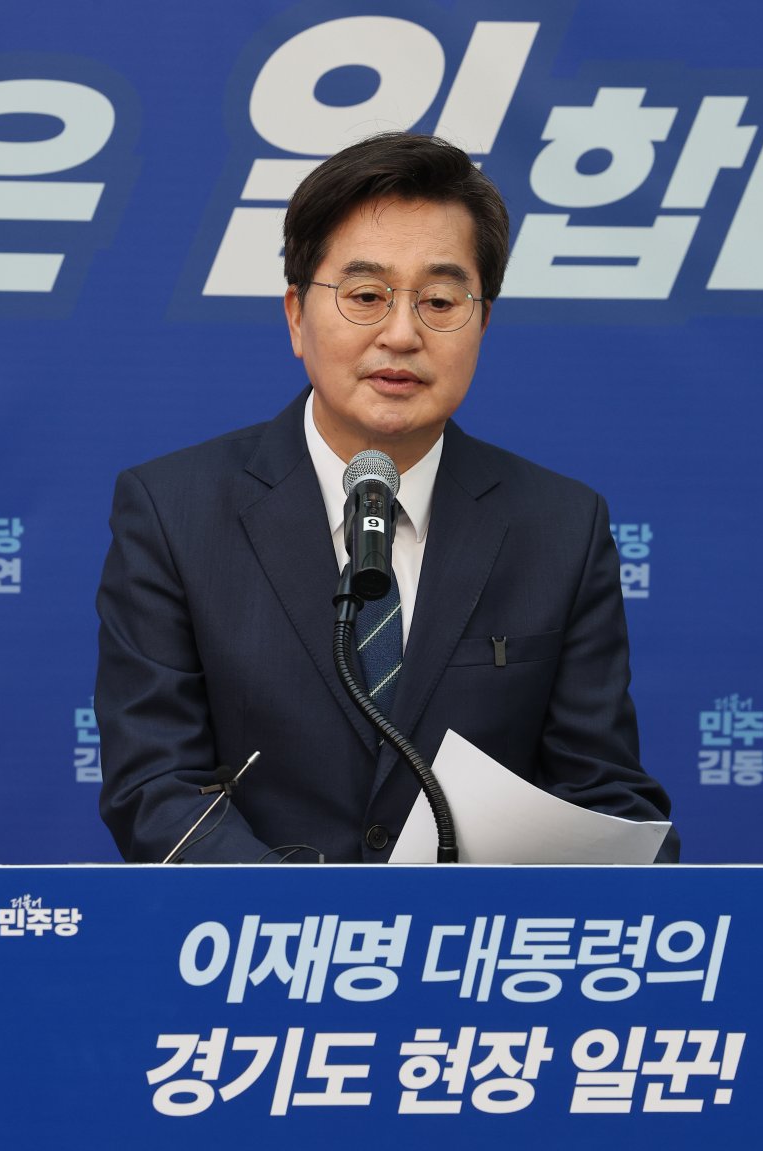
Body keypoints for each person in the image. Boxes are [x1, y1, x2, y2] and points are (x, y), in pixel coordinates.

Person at [95, 132, 677, 863]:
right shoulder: (173, 512)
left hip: (471, 931)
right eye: (366, 296)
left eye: (440, 300)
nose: (401, 334)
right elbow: (154, 786)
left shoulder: (561, 528)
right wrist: (313, 915)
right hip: (260, 928)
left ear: (483, 322)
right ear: (296, 316)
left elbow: (602, 793)